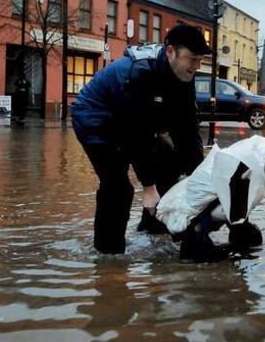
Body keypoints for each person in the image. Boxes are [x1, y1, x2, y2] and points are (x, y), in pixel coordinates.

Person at [71, 25, 209, 254]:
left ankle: (153, 227)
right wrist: (148, 187)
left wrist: (201, 177)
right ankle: (108, 253)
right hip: (96, 120)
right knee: (118, 187)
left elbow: (186, 128)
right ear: (170, 52)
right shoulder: (139, 73)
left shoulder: (185, 76)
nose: (197, 66)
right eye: (192, 59)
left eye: (200, 60)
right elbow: (134, 133)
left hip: (133, 123)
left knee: (169, 162)